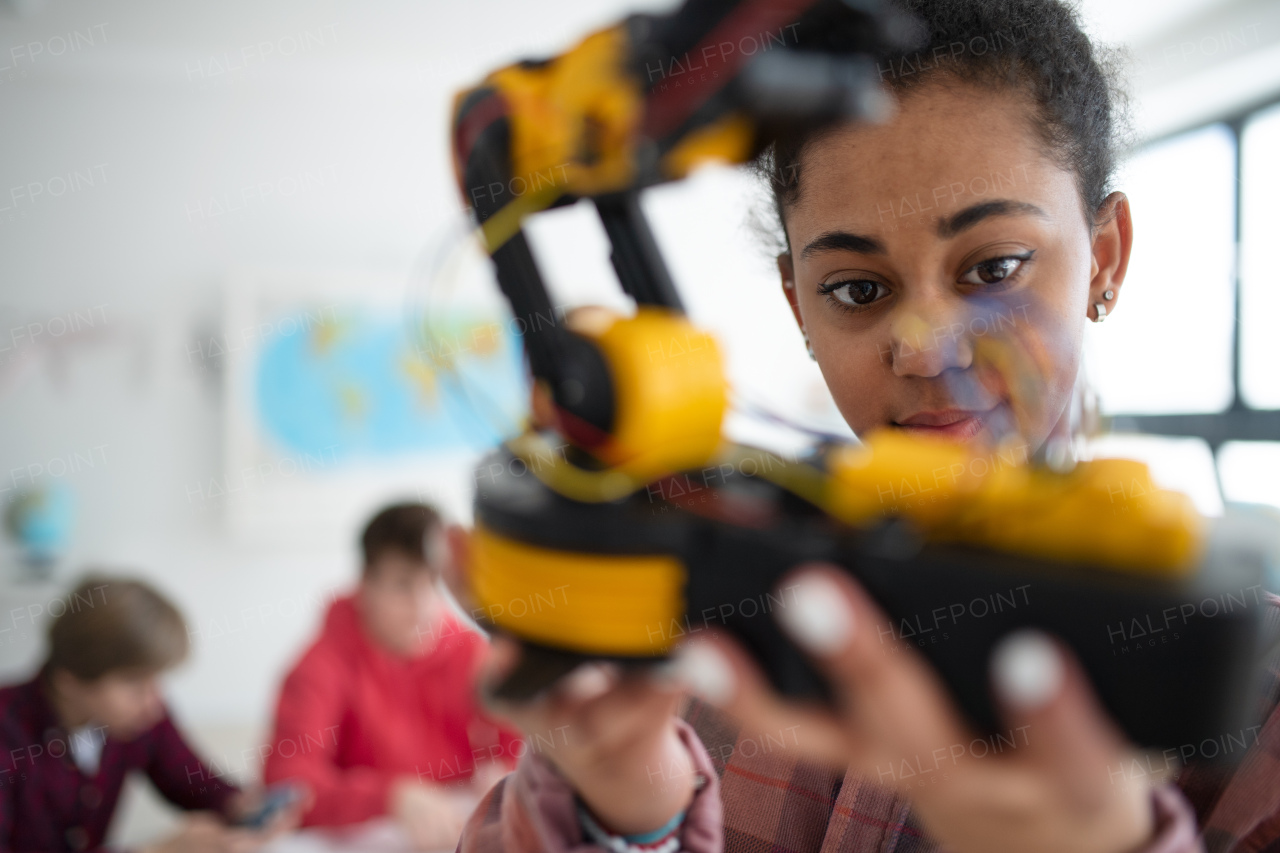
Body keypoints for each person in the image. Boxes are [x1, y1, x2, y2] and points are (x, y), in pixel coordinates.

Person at [449, 1, 1280, 852]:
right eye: (856, 289)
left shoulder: (1254, 698)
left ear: (1104, 258)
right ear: (798, 305)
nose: (923, 349)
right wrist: (626, 801)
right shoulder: (700, 625)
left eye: (994, 267)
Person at [263, 502, 521, 850]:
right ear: (366, 583)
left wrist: (505, 771)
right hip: (366, 835)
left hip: (455, 829)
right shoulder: (318, 667)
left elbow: (523, 743)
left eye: (433, 582)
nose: (423, 604)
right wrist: (390, 797)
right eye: (402, 585)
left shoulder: (472, 651)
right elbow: (287, 782)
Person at [0, 575, 303, 853]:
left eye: (157, 679)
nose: (154, 703)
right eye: (133, 683)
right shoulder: (7, 733)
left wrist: (242, 807)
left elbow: (193, 781)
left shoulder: (137, 717)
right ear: (70, 681)